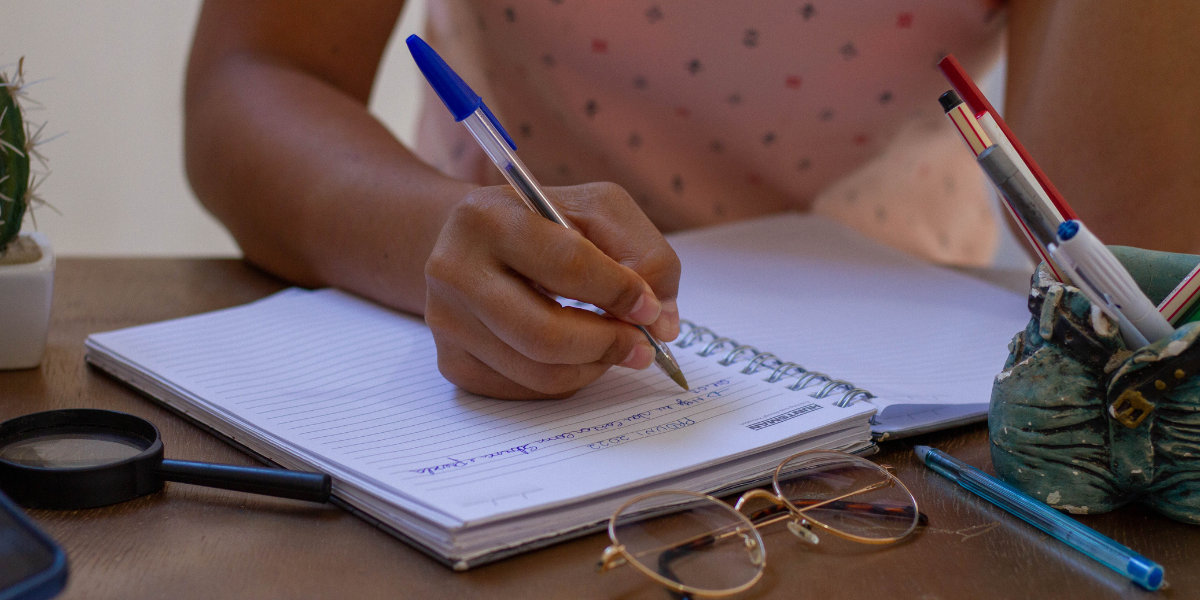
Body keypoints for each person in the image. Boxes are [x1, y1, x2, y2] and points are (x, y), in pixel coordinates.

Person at [184, 0, 1200, 400]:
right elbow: (254, 78)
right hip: (477, 329)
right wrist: (435, 242)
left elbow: (1138, 282)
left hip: (910, 388)